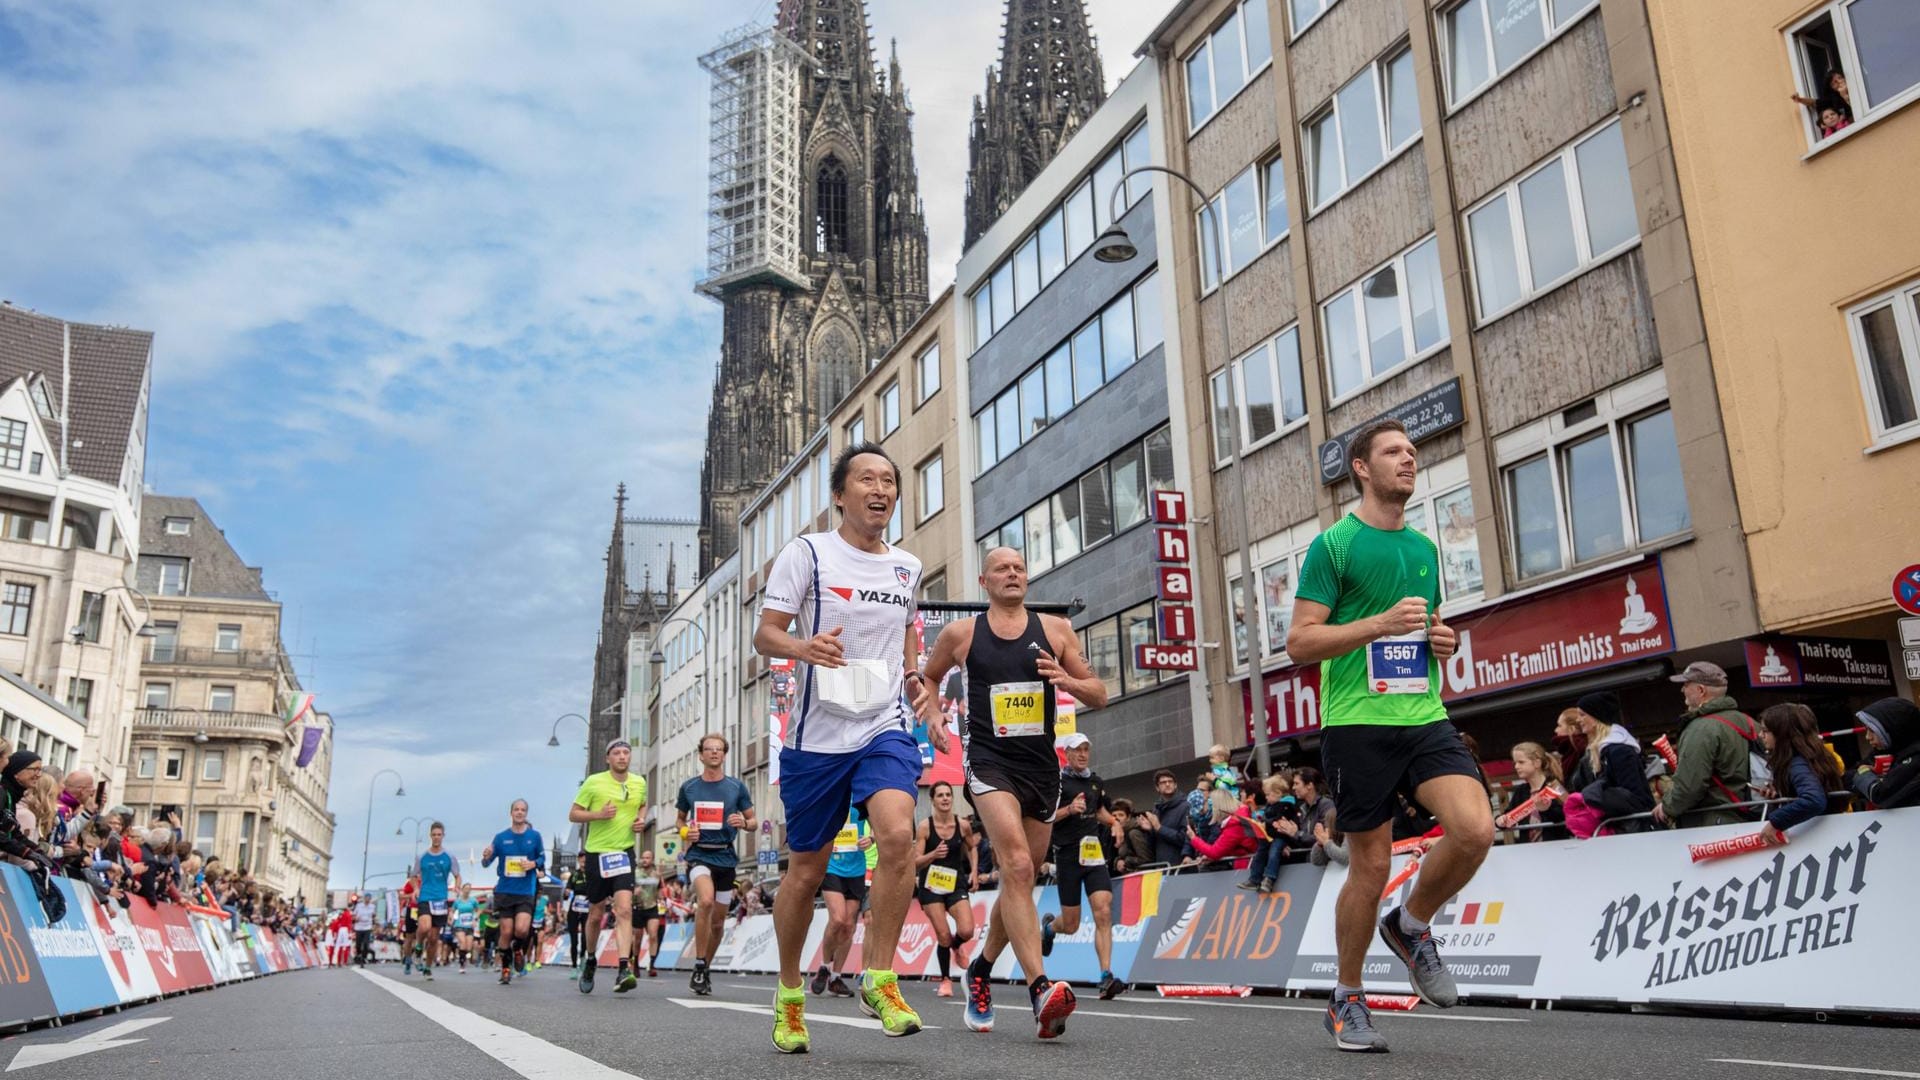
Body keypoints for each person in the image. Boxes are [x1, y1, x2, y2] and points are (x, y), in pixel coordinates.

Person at [1285, 417, 1494, 1054]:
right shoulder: (1335, 546)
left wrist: (1444, 641)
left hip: (1423, 714)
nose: (1408, 459)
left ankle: (1410, 924)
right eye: (1393, 453)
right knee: (1371, 865)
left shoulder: (1426, 550)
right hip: (1356, 723)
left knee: (1476, 829)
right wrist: (1376, 623)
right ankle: (1347, 999)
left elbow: (1430, 633)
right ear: (1362, 469)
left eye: (1412, 451)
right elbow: (1299, 642)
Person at [754, 443, 939, 1052]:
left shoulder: (907, 567)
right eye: (867, 479)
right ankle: (787, 993)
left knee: (896, 837)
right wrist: (804, 648)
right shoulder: (807, 553)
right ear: (840, 495)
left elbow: (904, 641)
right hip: (816, 738)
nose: (881, 488)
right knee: (805, 874)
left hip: (882, 726)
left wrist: (920, 691)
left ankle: (880, 977)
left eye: (890, 479)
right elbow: (766, 635)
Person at [919, 543, 1107, 1036]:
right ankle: (1040, 988)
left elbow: (1100, 694)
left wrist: (1066, 677)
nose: (1013, 574)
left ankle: (979, 971)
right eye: (1002, 568)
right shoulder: (962, 634)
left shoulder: (1056, 631)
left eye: (1020, 567)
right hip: (988, 763)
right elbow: (929, 677)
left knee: (1019, 882)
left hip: (1042, 771)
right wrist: (935, 715)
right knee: (1018, 866)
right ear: (985, 582)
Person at [1042, 733, 1126, 1001]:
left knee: (1103, 911)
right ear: (1066, 753)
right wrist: (1069, 809)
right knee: (1071, 924)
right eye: (1077, 750)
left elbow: (1098, 810)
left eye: (1086, 750)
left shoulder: (1095, 782)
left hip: (1093, 855)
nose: (1082, 754)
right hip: (1067, 856)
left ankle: (1106, 976)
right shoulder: (1057, 782)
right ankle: (1049, 928)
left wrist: (1114, 823)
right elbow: (1045, 817)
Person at [676, 733, 755, 996]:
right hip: (700, 854)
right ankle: (698, 963)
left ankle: (705, 968)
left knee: (719, 923)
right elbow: (679, 822)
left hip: (726, 856)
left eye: (719, 749)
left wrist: (743, 823)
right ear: (700, 755)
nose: (714, 753)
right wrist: (687, 833)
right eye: (709, 749)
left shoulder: (736, 788)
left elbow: (753, 821)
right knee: (706, 901)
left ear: (724, 755)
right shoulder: (689, 788)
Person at [569, 739, 649, 994]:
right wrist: (597, 815)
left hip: (624, 852)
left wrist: (641, 819)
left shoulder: (639, 782)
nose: (622, 757)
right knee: (595, 913)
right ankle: (590, 958)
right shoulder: (594, 782)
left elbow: (642, 804)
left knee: (624, 909)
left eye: (626, 752)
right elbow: (573, 813)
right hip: (597, 853)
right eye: (617, 753)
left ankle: (623, 967)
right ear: (608, 758)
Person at [1655, 662, 1761, 829]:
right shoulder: (1750, 723)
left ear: (1701, 690)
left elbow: (1689, 786)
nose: (1682, 690)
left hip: (1713, 825)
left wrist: (1668, 806)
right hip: (1757, 816)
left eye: (1686, 684)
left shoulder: (1700, 728)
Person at [913, 780, 977, 998]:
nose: (945, 798)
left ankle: (957, 945)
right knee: (942, 935)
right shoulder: (924, 827)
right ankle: (946, 980)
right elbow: (915, 862)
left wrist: (975, 872)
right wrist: (933, 855)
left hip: (955, 882)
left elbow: (972, 848)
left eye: (948, 794)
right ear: (933, 800)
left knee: (967, 930)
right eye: (940, 795)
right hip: (931, 886)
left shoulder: (962, 825)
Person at [1562, 692, 1656, 836]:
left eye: (1582, 715)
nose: (1578, 720)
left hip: (1631, 831)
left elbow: (1636, 797)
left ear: (1596, 716)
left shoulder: (1619, 750)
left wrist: (1595, 796)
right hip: (1613, 829)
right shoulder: (1596, 751)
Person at [1757, 703, 1845, 844]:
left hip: (1815, 838)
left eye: (1765, 731)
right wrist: (1779, 795)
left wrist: (1775, 822)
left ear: (1782, 734)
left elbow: (1813, 800)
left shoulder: (1797, 763)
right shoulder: (1812, 756)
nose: (1760, 735)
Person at [811, 804, 871, 998]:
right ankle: (824, 966)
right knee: (837, 919)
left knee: (848, 926)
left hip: (856, 868)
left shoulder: (862, 796)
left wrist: (871, 838)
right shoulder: (832, 791)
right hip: (832, 865)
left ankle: (835, 978)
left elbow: (879, 825)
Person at [410, 824, 460, 980]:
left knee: (433, 938)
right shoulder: (422, 857)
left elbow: (458, 875)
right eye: (434, 834)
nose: (436, 837)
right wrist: (416, 888)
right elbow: (413, 876)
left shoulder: (449, 857)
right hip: (425, 896)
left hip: (441, 899)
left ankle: (428, 967)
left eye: (439, 834)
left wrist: (457, 887)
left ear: (443, 835)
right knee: (424, 927)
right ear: (430, 836)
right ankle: (418, 948)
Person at [1850, 697, 1920, 809]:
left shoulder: (1915, 756)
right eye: (1866, 730)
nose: (1868, 737)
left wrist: (1865, 774)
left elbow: (1881, 795)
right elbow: (1849, 777)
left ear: (1894, 729)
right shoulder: (1885, 751)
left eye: (1872, 730)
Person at [1495, 742, 1567, 842]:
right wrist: (1499, 821)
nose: (1516, 767)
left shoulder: (1556, 787)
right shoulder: (1521, 791)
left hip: (1556, 847)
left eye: (1521, 762)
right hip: (1528, 850)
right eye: (1515, 763)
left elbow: (1568, 815)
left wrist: (1546, 810)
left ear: (1537, 763)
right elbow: (1509, 817)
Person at [632, 850, 666, 977]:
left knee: (653, 935)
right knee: (637, 939)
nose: (645, 860)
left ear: (652, 859)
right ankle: (635, 964)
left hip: (652, 907)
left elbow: (660, 890)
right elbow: (629, 889)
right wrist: (634, 892)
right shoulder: (635, 873)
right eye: (643, 857)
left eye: (647, 858)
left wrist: (661, 896)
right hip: (638, 907)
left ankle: (652, 965)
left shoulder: (656, 874)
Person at [1148, 769, 1192, 866]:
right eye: (1163, 782)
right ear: (1157, 788)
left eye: (1170, 781)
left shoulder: (1186, 806)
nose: (1167, 784)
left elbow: (1185, 838)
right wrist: (1149, 829)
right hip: (1162, 865)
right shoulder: (1156, 809)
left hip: (1181, 866)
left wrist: (1159, 828)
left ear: (1175, 785)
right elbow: (1154, 843)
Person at [1110, 800, 1154, 873]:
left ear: (1128, 817)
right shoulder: (1120, 832)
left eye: (1121, 815)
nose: (1117, 818)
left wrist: (1126, 861)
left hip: (1142, 877)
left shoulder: (1134, 833)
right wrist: (1117, 861)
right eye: (1114, 816)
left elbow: (1146, 859)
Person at [564, 863, 590, 971]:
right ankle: (574, 966)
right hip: (574, 908)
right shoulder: (574, 874)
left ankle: (583, 956)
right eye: (581, 859)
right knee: (574, 940)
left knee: (585, 937)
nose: (584, 861)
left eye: (586, 859)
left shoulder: (592, 873)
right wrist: (566, 893)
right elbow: (566, 894)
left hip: (587, 907)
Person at [451, 886, 480, 973]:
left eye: (469, 888)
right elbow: (452, 910)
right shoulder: (457, 901)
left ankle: (462, 956)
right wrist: (451, 917)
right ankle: (462, 964)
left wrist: (475, 919)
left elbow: (478, 911)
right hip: (459, 924)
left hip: (469, 926)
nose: (467, 890)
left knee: (468, 947)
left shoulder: (473, 901)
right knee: (463, 943)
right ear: (462, 890)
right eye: (466, 888)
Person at [351, 891, 377, 966]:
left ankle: (364, 957)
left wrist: (374, 917)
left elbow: (374, 915)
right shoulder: (359, 905)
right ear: (364, 898)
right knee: (358, 944)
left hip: (367, 927)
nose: (367, 899)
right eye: (366, 898)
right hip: (358, 927)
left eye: (369, 898)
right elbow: (353, 915)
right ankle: (359, 954)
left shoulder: (372, 906)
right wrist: (355, 919)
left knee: (366, 943)